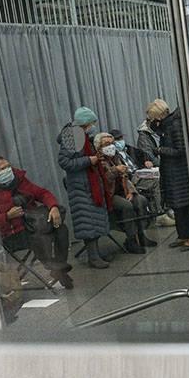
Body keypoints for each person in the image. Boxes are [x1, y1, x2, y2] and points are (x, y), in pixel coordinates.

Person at [0, 156, 73, 288]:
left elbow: (42, 193)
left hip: (34, 223)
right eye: (3, 168)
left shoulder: (19, 180)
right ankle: (57, 268)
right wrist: (6, 216)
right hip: (13, 235)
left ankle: (58, 267)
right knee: (39, 237)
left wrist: (53, 207)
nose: (8, 170)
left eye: (8, 166)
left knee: (60, 229)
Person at [58, 107, 111, 268]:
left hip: (88, 185)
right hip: (81, 187)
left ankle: (95, 254)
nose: (93, 126)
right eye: (92, 123)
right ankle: (93, 257)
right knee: (88, 224)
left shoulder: (83, 136)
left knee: (92, 222)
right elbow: (64, 162)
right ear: (85, 123)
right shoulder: (74, 136)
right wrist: (89, 160)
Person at [92, 132, 155, 253]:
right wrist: (115, 170)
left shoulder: (117, 157)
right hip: (109, 195)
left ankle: (141, 235)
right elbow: (102, 181)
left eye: (111, 143)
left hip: (123, 191)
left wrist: (131, 191)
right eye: (106, 144)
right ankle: (131, 240)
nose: (110, 146)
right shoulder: (97, 161)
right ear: (99, 147)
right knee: (127, 206)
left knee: (140, 200)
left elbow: (125, 178)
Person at [148, 99, 189, 251]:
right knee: (177, 206)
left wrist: (161, 150)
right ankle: (182, 235)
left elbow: (181, 150)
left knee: (184, 207)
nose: (152, 121)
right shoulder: (167, 126)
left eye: (152, 117)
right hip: (172, 172)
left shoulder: (175, 126)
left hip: (180, 173)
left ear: (159, 115)